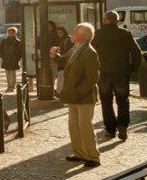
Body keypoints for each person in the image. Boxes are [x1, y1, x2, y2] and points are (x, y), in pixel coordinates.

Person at [51, 23, 101, 168]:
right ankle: (79, 154)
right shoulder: (75, 48)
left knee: (85, 127)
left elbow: (92, 79)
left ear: (82, 36)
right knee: (73, 126)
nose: (71, 33)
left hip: (84, 97)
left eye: (74, 32)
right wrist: (54, 55)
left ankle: (93, 157)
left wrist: (78, 92)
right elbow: (63, 60)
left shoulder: (89, 52)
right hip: (73, 96)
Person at [94, 10, 142, 141]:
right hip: (121, 72)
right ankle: (122, 126)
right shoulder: (125, 34)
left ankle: (110, 130)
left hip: (102, 73)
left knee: (106, 102)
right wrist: (133, 68)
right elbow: (137, 53)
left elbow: (91, 53)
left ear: (104, 20)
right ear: (117, 21)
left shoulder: (97, 34)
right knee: (122, 100)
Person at [0, 26, 22, 92]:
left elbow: (20, 52)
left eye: (13, 32)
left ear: (15, 33)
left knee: (12, 73)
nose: (11, 34)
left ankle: (12, 86)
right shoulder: (4, 41)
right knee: (7, 73)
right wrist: (3, 57)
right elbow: (0, 50)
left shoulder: (18, 42)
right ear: (8, 33)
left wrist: (17, 59)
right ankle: (9, 86)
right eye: (10, 32)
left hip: (14, 59)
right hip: (6, 59)